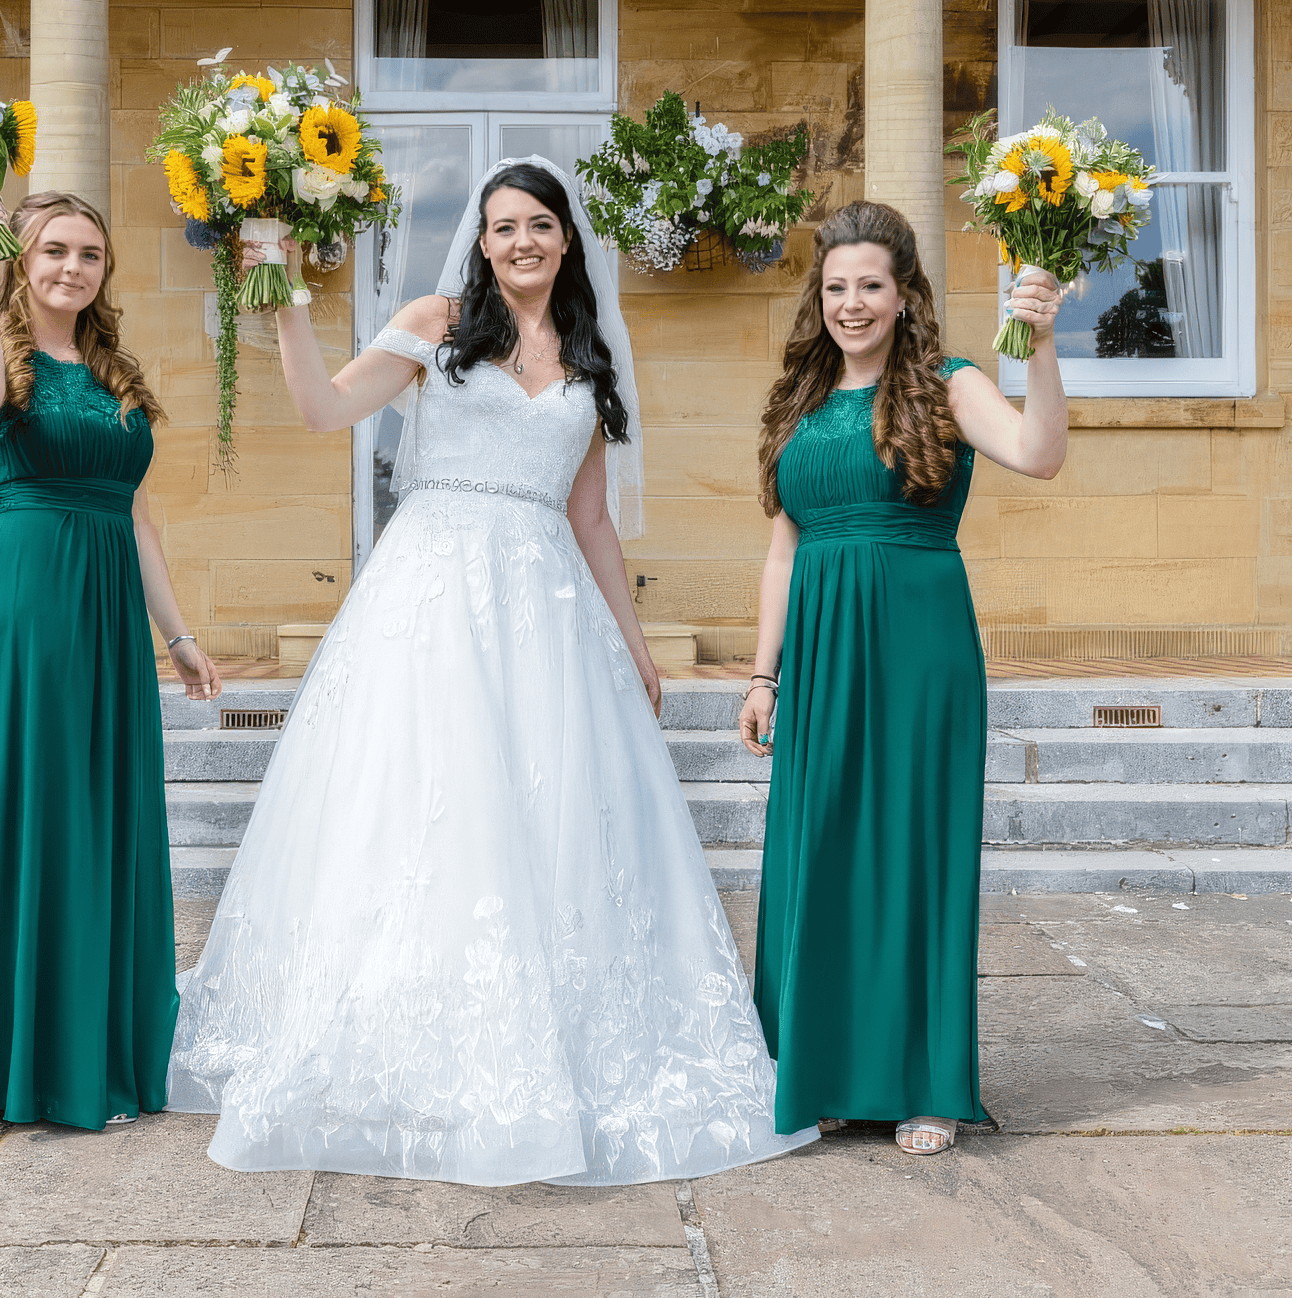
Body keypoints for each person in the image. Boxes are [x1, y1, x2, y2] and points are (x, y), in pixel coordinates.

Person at [166, 157, 817, 1186]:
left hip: (547, 606)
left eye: (538, 225)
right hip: (428, 594)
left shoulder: (590, 361)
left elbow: (591, 518)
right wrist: (281, 285)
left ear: (566, 239)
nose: (519, 241)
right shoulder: (434, 325)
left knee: (545, 814)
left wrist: (634, 643)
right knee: (423, 804)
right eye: (501, 226)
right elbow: (320, 411)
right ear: (480, 241)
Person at [739, 200, 1068, 1156]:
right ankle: (831, 1070)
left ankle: (927, 1082)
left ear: (904, 292)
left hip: (917, 643)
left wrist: (1040, 346)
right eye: (836, 286)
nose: (851, 303)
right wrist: (764, 676)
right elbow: (780, 551)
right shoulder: (801, 398)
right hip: (821, 650)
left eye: (869, 285)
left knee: (914, 846)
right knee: (821, 848)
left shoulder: (948, 384)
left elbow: (1040, 456)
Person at [0, 179, 222, 1131]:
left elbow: (135, 515)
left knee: (102, 814)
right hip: (34, 598)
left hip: (109, 618)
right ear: (25, 257)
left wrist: (176, 634)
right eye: (53, 250)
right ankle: (27, 1062)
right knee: (39, 806)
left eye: (89, 254)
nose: (71, 268)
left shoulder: (115, 373)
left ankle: (98, 1049)